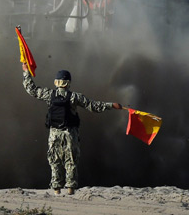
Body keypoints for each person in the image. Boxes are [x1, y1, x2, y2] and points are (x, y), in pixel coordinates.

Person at [22, 64, 123, 195]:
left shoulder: (49, 94)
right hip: (70, 133)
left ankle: (56, 190)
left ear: (56, 82)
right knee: (71, 161)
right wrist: (111, 105)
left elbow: (32, 89)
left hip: (54, 134)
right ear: (68, 83)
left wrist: (26, 72)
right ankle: (70, 190)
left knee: (55, 160)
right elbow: (93, 106)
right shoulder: (74, 97)